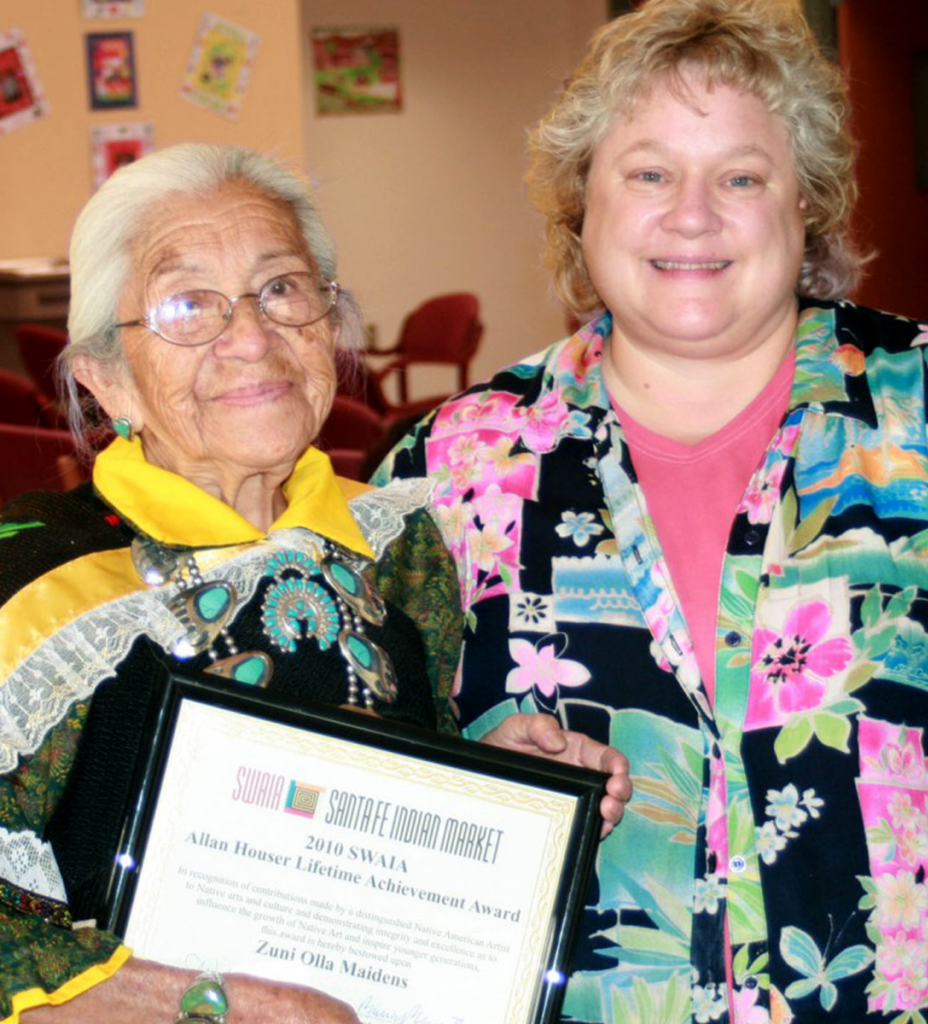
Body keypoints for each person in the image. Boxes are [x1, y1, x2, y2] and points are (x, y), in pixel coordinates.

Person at [372, 1, 928, 1021]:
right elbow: (368, 778)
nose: (692, 214)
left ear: (802, 202)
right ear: (579, 200)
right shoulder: (453, 468)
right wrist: (468, 771)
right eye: (648, 172)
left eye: (740, 176)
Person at [0, 143, 630, 1023]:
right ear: (106, 381)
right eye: (187, 305)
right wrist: (203, 1004)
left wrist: (499, 793)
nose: (252, 338)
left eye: (282, 289)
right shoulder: (36, 582)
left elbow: (389, 778)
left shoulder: (395, 539)